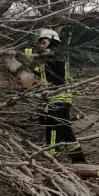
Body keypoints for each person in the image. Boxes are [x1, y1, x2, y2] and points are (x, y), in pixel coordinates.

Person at [24, 29, 87, 163]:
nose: (41, 45)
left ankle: (51, 163)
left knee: (53, 134)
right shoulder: (47, 59)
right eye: (40, 43)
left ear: (52, 42)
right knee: (67, 134)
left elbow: (54, 81)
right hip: (56, 101)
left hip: (58, 101)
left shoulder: (56, 57)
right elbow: (34, 76)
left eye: (44, 42)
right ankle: (80, 162)